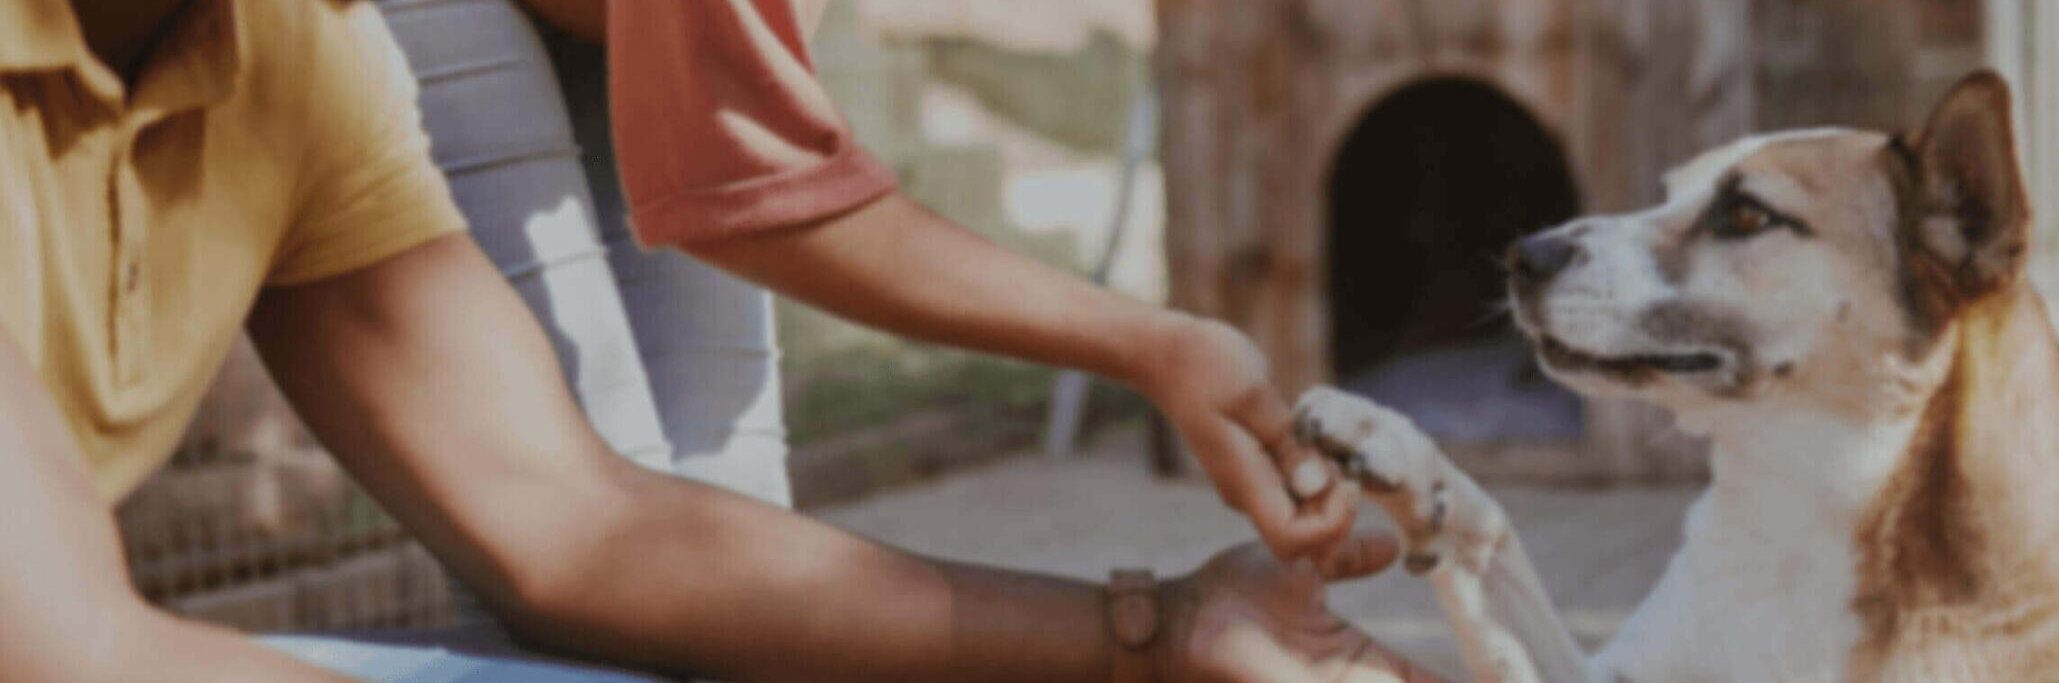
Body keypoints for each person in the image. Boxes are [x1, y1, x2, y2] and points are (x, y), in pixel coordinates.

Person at [0, 0, 1435, 680]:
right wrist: (1148, 340)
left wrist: (1155, 633)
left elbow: (579, 531)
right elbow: (72, 655)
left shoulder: (284, 55)